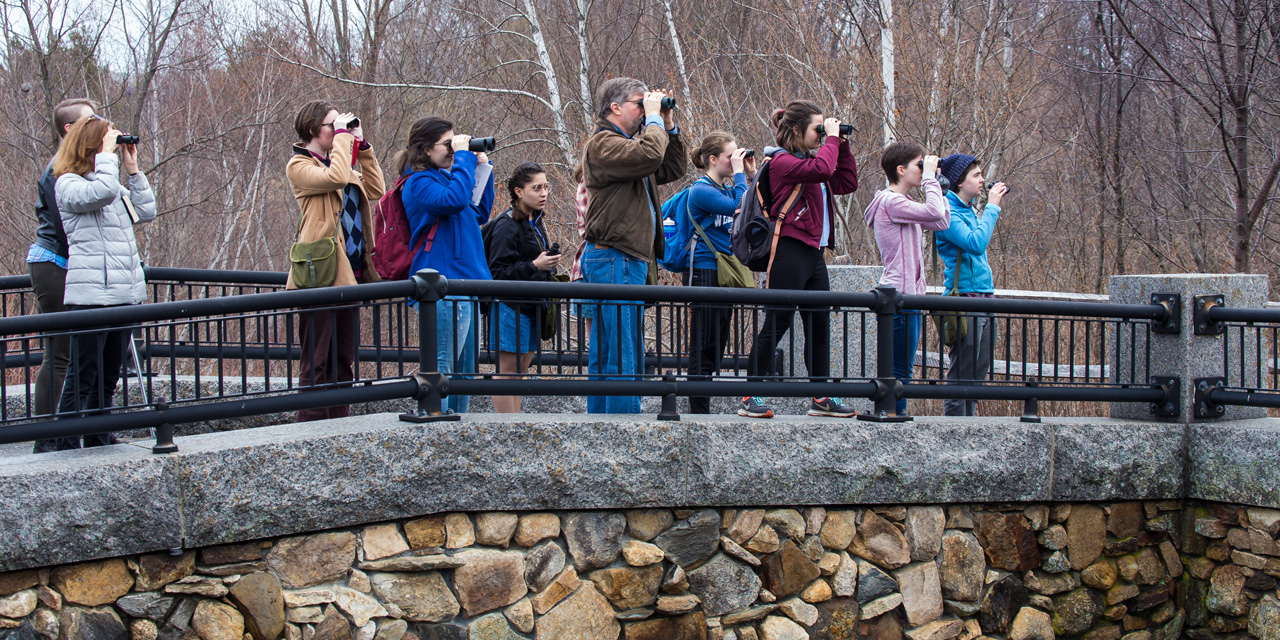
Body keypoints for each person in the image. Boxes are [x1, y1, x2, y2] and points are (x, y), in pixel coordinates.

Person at [741, 101, 858, 419]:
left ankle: (820, 396)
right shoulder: (782, 163)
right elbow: (821, 169)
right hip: (789, 251)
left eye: (824, 129)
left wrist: (841, 145)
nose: (822, 135)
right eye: (817, 129)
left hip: (815, 255)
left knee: (818, 327)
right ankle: (750, 394)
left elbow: (846, 183)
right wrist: (832, 140)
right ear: (796, 130)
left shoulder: (815, 161)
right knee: (776, 324)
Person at [580, 78, 686, 413]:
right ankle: (625, 431)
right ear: (615, 107)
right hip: (616, 256)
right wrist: (654, 120)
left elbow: (670, 166)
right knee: (623, 351)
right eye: (639, 104)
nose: (644, 111)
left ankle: (602, 428)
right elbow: (649, 154)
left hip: (619, 257)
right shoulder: (604, 144)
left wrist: (667, 125)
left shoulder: (628, 148)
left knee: (609, 350)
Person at [50, 114, 156, 449]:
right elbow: (102, 191)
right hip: (91, 295)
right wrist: (110, 159)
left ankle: (98, 435)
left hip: (122, 293)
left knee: (109, 375)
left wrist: (133, 169)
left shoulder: (110, 180)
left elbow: (146, 211)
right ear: (91, 145)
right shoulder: (68, 183)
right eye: (107, 139)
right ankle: (63, 443)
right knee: (82, 376)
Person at [285, 101, 385, 422]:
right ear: (315, 130)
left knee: (343, 356)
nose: (338, 129)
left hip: (350, 272)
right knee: (316, 358)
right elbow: (337, 177)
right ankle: (311, 424)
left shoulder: (339, 162)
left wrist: (362, 146)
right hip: (321, 273)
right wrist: (345, 139)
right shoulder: (299, 166)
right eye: (332, 125)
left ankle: (340, 421)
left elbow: (375, 188)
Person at [398, 116, 495, 414]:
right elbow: (453, 201)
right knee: (442, 366)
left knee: (464, 373)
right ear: (426, 149)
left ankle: (457, 424)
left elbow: (477, 212)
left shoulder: (446, 179)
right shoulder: (418, 183)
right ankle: (435, 423)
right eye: (448, 144)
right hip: (442, 287)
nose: (453, 150)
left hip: (464, 283)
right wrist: (463, 158)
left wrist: (480, 168)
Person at [30, 98, 98, 453]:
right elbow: (65, 229)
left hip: (73, 264)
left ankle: (92, 427)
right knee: (59, 353)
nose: (99, 124)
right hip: (55, 263)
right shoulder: (57, 171)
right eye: (91, 119)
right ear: (70, 129)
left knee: (87, 352)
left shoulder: (82, 166)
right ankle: (48, 436)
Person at [862, 141, 949, 416]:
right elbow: (935, 212)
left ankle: (894, 415)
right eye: (919, 165)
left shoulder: (903, 203)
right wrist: (931, 182)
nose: (924, 171)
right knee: (900, 369)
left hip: (906, 296)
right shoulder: (891, 201)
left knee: (902, 367)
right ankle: (893, 417)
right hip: (898, 295)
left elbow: (942, 221)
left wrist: (938, 186)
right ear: (901, 170)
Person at [683, 132, 754, 414]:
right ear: (713, 159)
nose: (734, 160)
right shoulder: (701, 190)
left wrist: (749, 172)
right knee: (703, 344)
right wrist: (740, 175)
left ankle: (703, 406)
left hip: (724, 271)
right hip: (704, 271)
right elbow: (741, 207)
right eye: (730, 156)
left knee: (717, 345)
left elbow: (754, 206)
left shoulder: (725, 188)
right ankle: (698, 411)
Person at [484, 162, 561, 413]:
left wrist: (546, 263)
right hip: (509, 306)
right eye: (536, 188)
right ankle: (506, 430)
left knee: (520, 371)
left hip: (530, 305)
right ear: (519, 191)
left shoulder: (535, 222)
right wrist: (534, 265)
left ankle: (516, 425)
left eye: (545, 187)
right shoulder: (507, 225)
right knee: (508, 372)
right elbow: (497, 273)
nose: (543, 193)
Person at [936, 153, 1006, 416]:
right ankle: (955, 427)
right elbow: (976, 243)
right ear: (958, 182)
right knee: (963, 370)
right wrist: (993, 207)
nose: (982, 180)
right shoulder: (947, 212)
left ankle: (970, 425)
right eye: (976, 175)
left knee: (978, 371)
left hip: (985, 298)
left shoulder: (967, 211)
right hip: (964, 298)